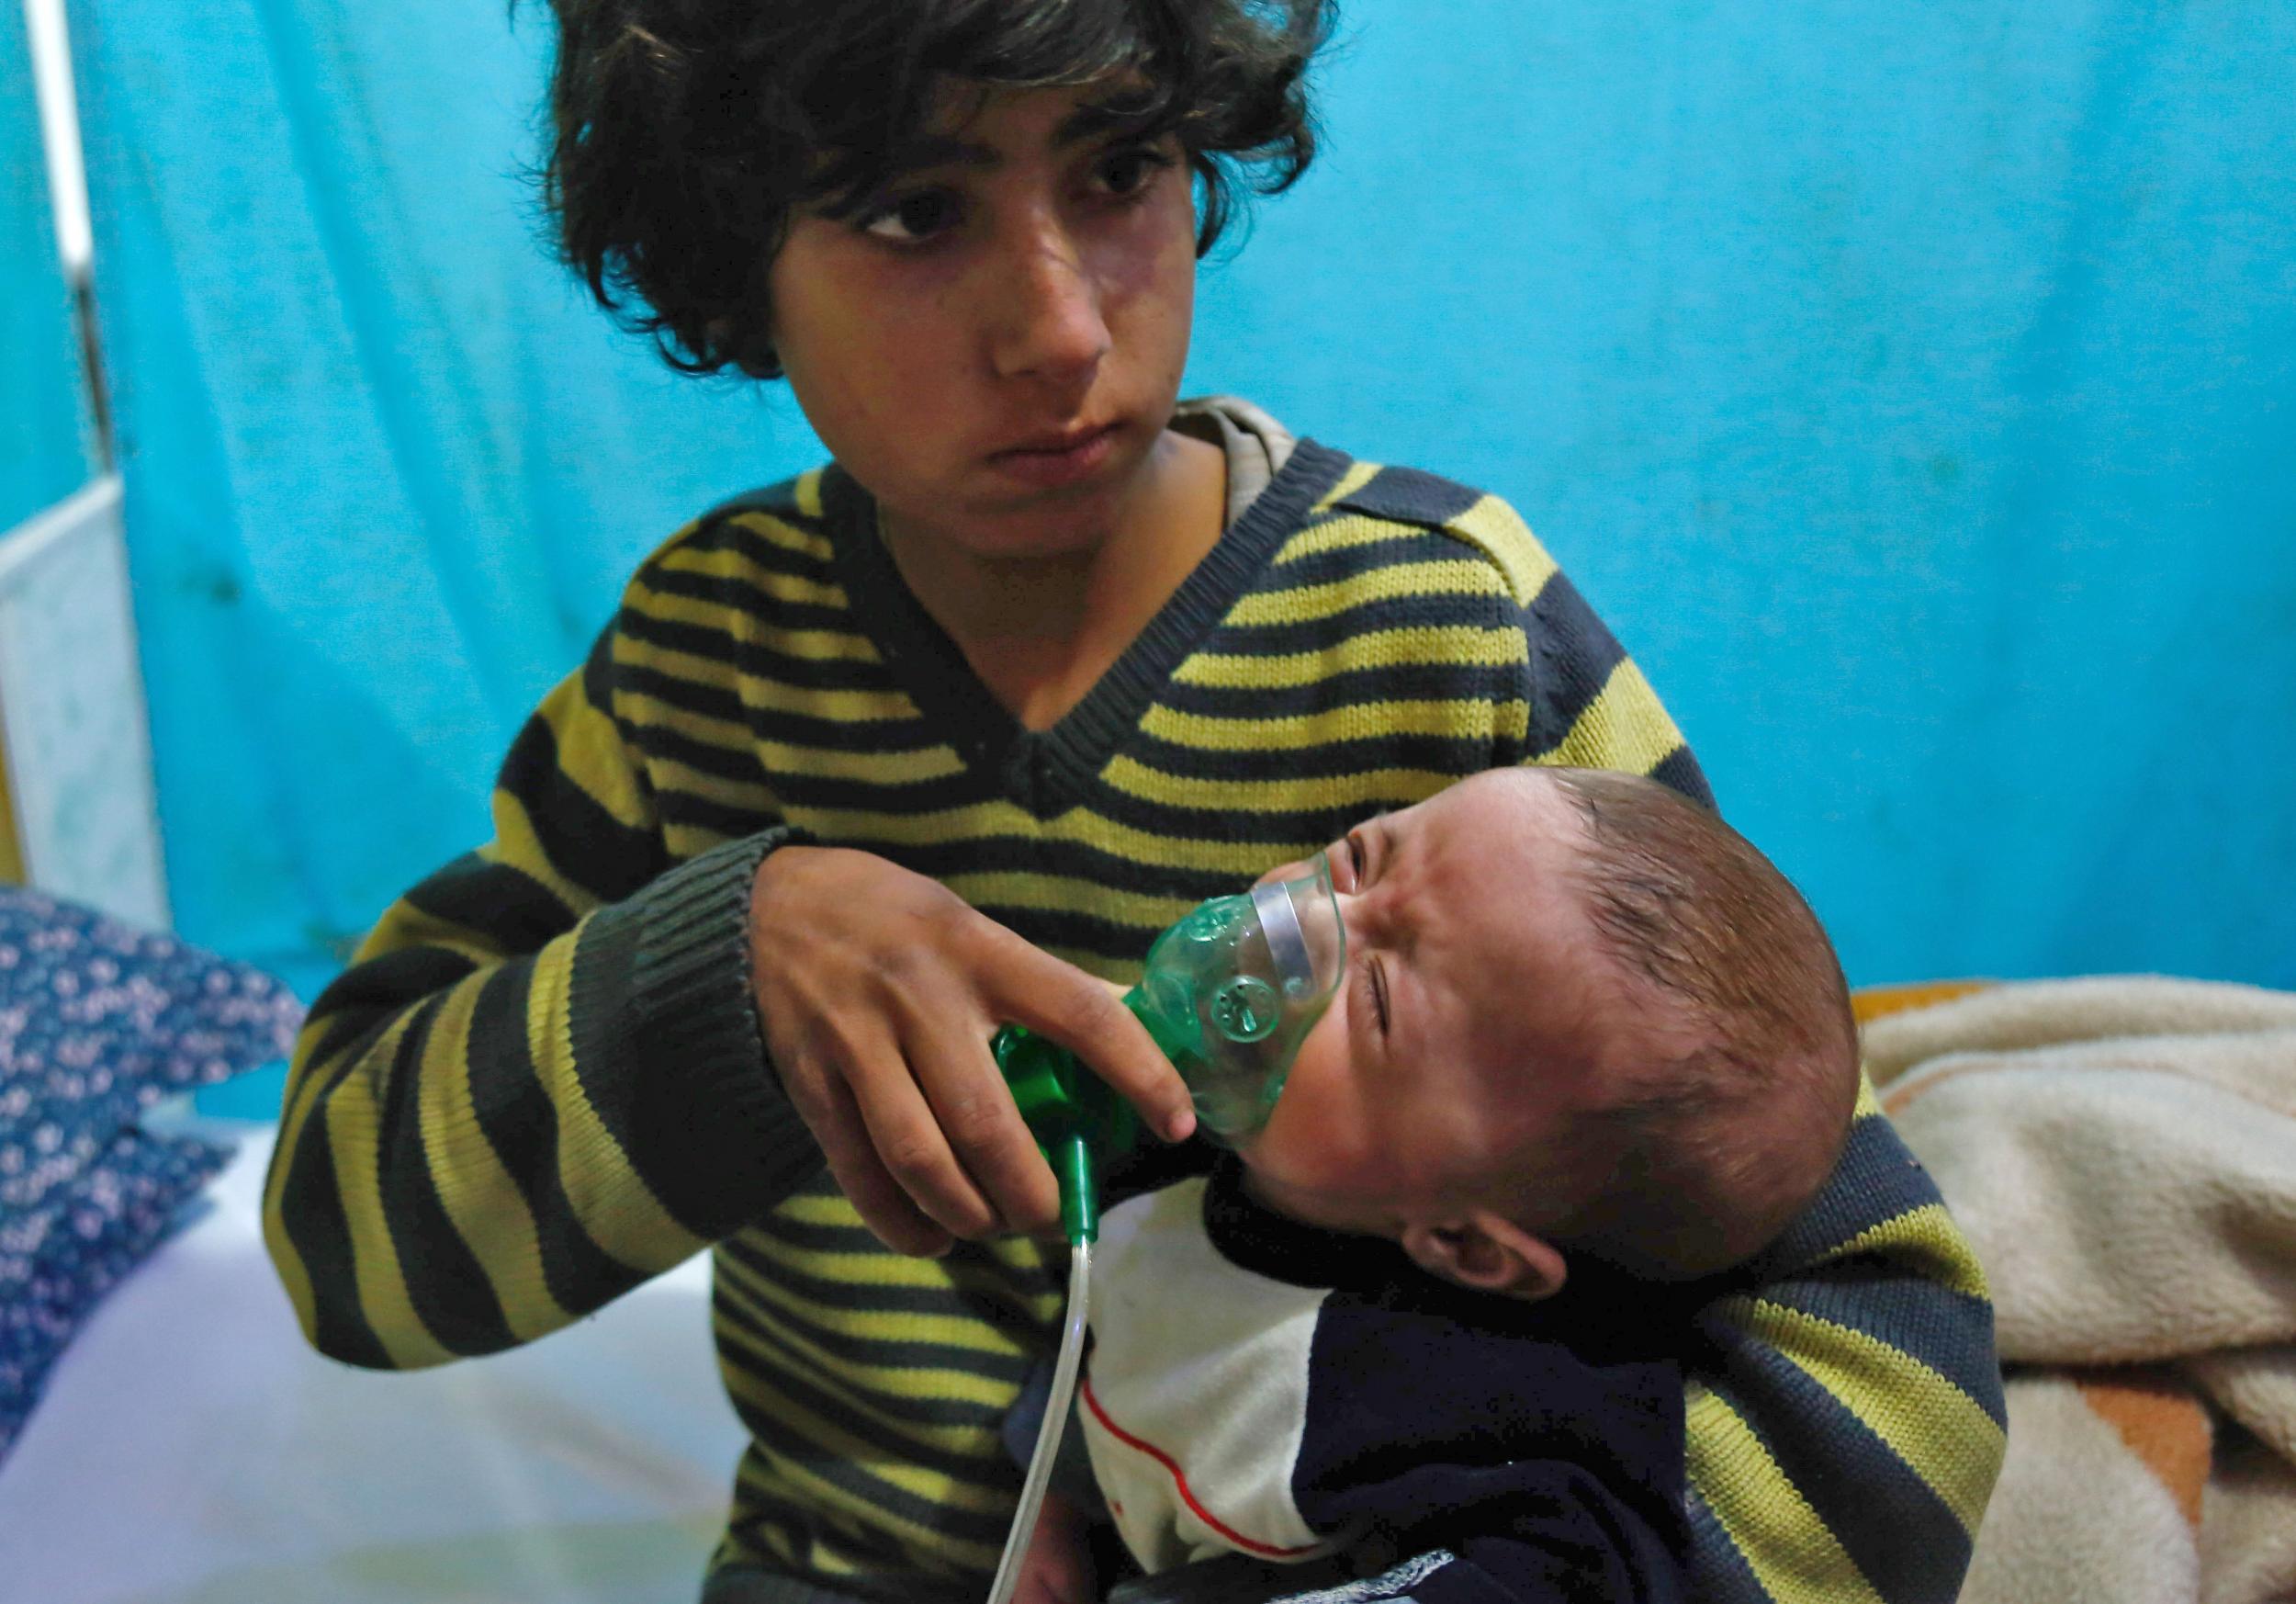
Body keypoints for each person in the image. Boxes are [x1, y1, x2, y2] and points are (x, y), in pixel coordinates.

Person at [262, 5, 2005, 1603]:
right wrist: (730, 967)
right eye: (912, 211)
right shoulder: (703, 667)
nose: (1062, 326)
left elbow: (1861, 1317)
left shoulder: (1446, 631)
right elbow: (346, 1256)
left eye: (1119, 170)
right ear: (734, 255)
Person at [1006, 765, 1863, 1604]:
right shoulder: (1185, 1139)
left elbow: (1585, 1566)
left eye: (1375, 999)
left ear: (1467, 1244)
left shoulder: (1467, 1401)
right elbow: (1114, 1321)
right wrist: (1056, 1506)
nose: (1298, 925)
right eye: (1357, 863)